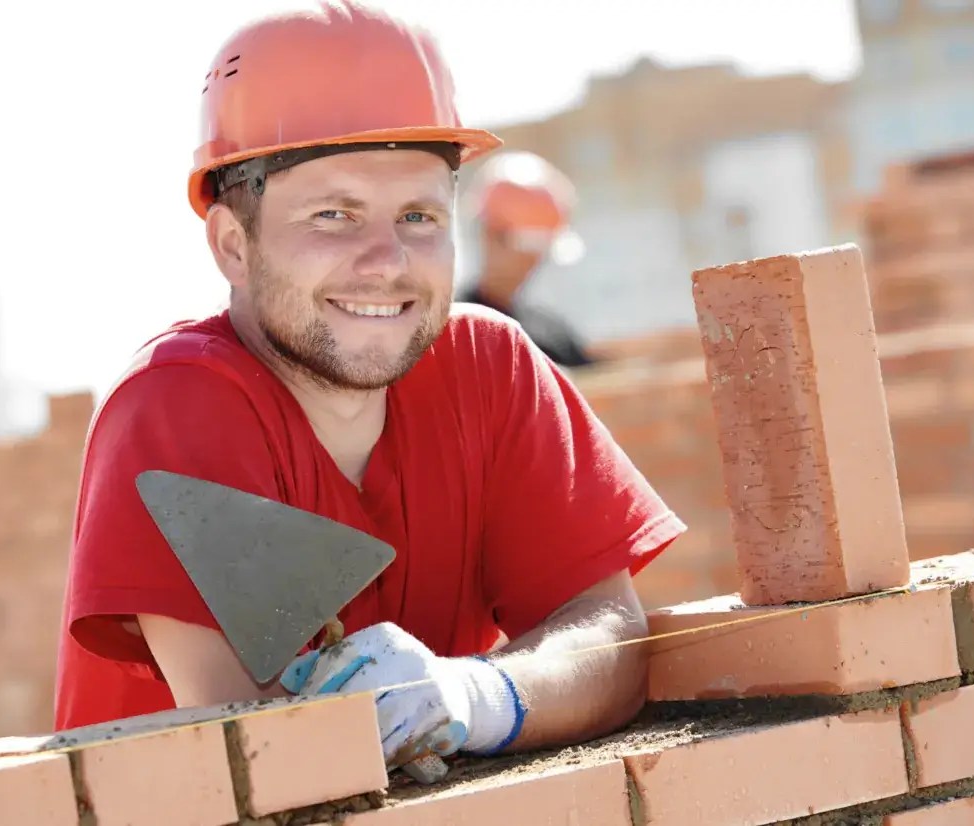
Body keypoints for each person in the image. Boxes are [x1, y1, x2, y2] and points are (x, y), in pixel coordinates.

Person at [53, 0, 685, 777]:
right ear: (232, 244)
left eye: (418, 216)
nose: (387, 262)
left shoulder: (489, 367)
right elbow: (266, 755)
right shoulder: (178, 405)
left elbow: (608, 634)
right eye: (333, 215)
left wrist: (477, 695)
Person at [457, 150, 597, 368]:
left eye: (541, 249)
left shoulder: (551, 331)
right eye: (530, 246)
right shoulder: (456, 334)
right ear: (491, 236)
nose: (535, 261)